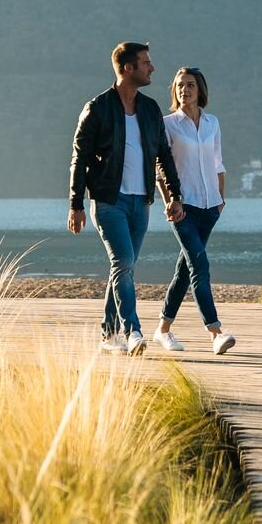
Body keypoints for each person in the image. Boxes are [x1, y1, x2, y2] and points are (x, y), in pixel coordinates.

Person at [67, 41, 185, 355]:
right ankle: (132, 331)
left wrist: (174, 195)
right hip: (108, 201)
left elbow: (164, 156)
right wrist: (76, 204)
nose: (153, 68)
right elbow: (79, 158)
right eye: (146, 63)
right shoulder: (97, 108)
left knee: (125, 267)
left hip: (141, 201)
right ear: (128, 68)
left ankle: (107, 335)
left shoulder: (149, 109)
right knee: (123, 262)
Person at [155, 66, 236, 355]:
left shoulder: (213, 123)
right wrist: (169, 200)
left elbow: (218, 163)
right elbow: (159, 168)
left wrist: (220, 199)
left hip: (209, 206)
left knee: (184, 270)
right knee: (199, 265)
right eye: (179, 85)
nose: (184, 90)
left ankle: (163, 330)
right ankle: (215, 332)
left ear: (200, 89)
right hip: (183, 207)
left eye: (190, 85)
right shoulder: (167, 124)